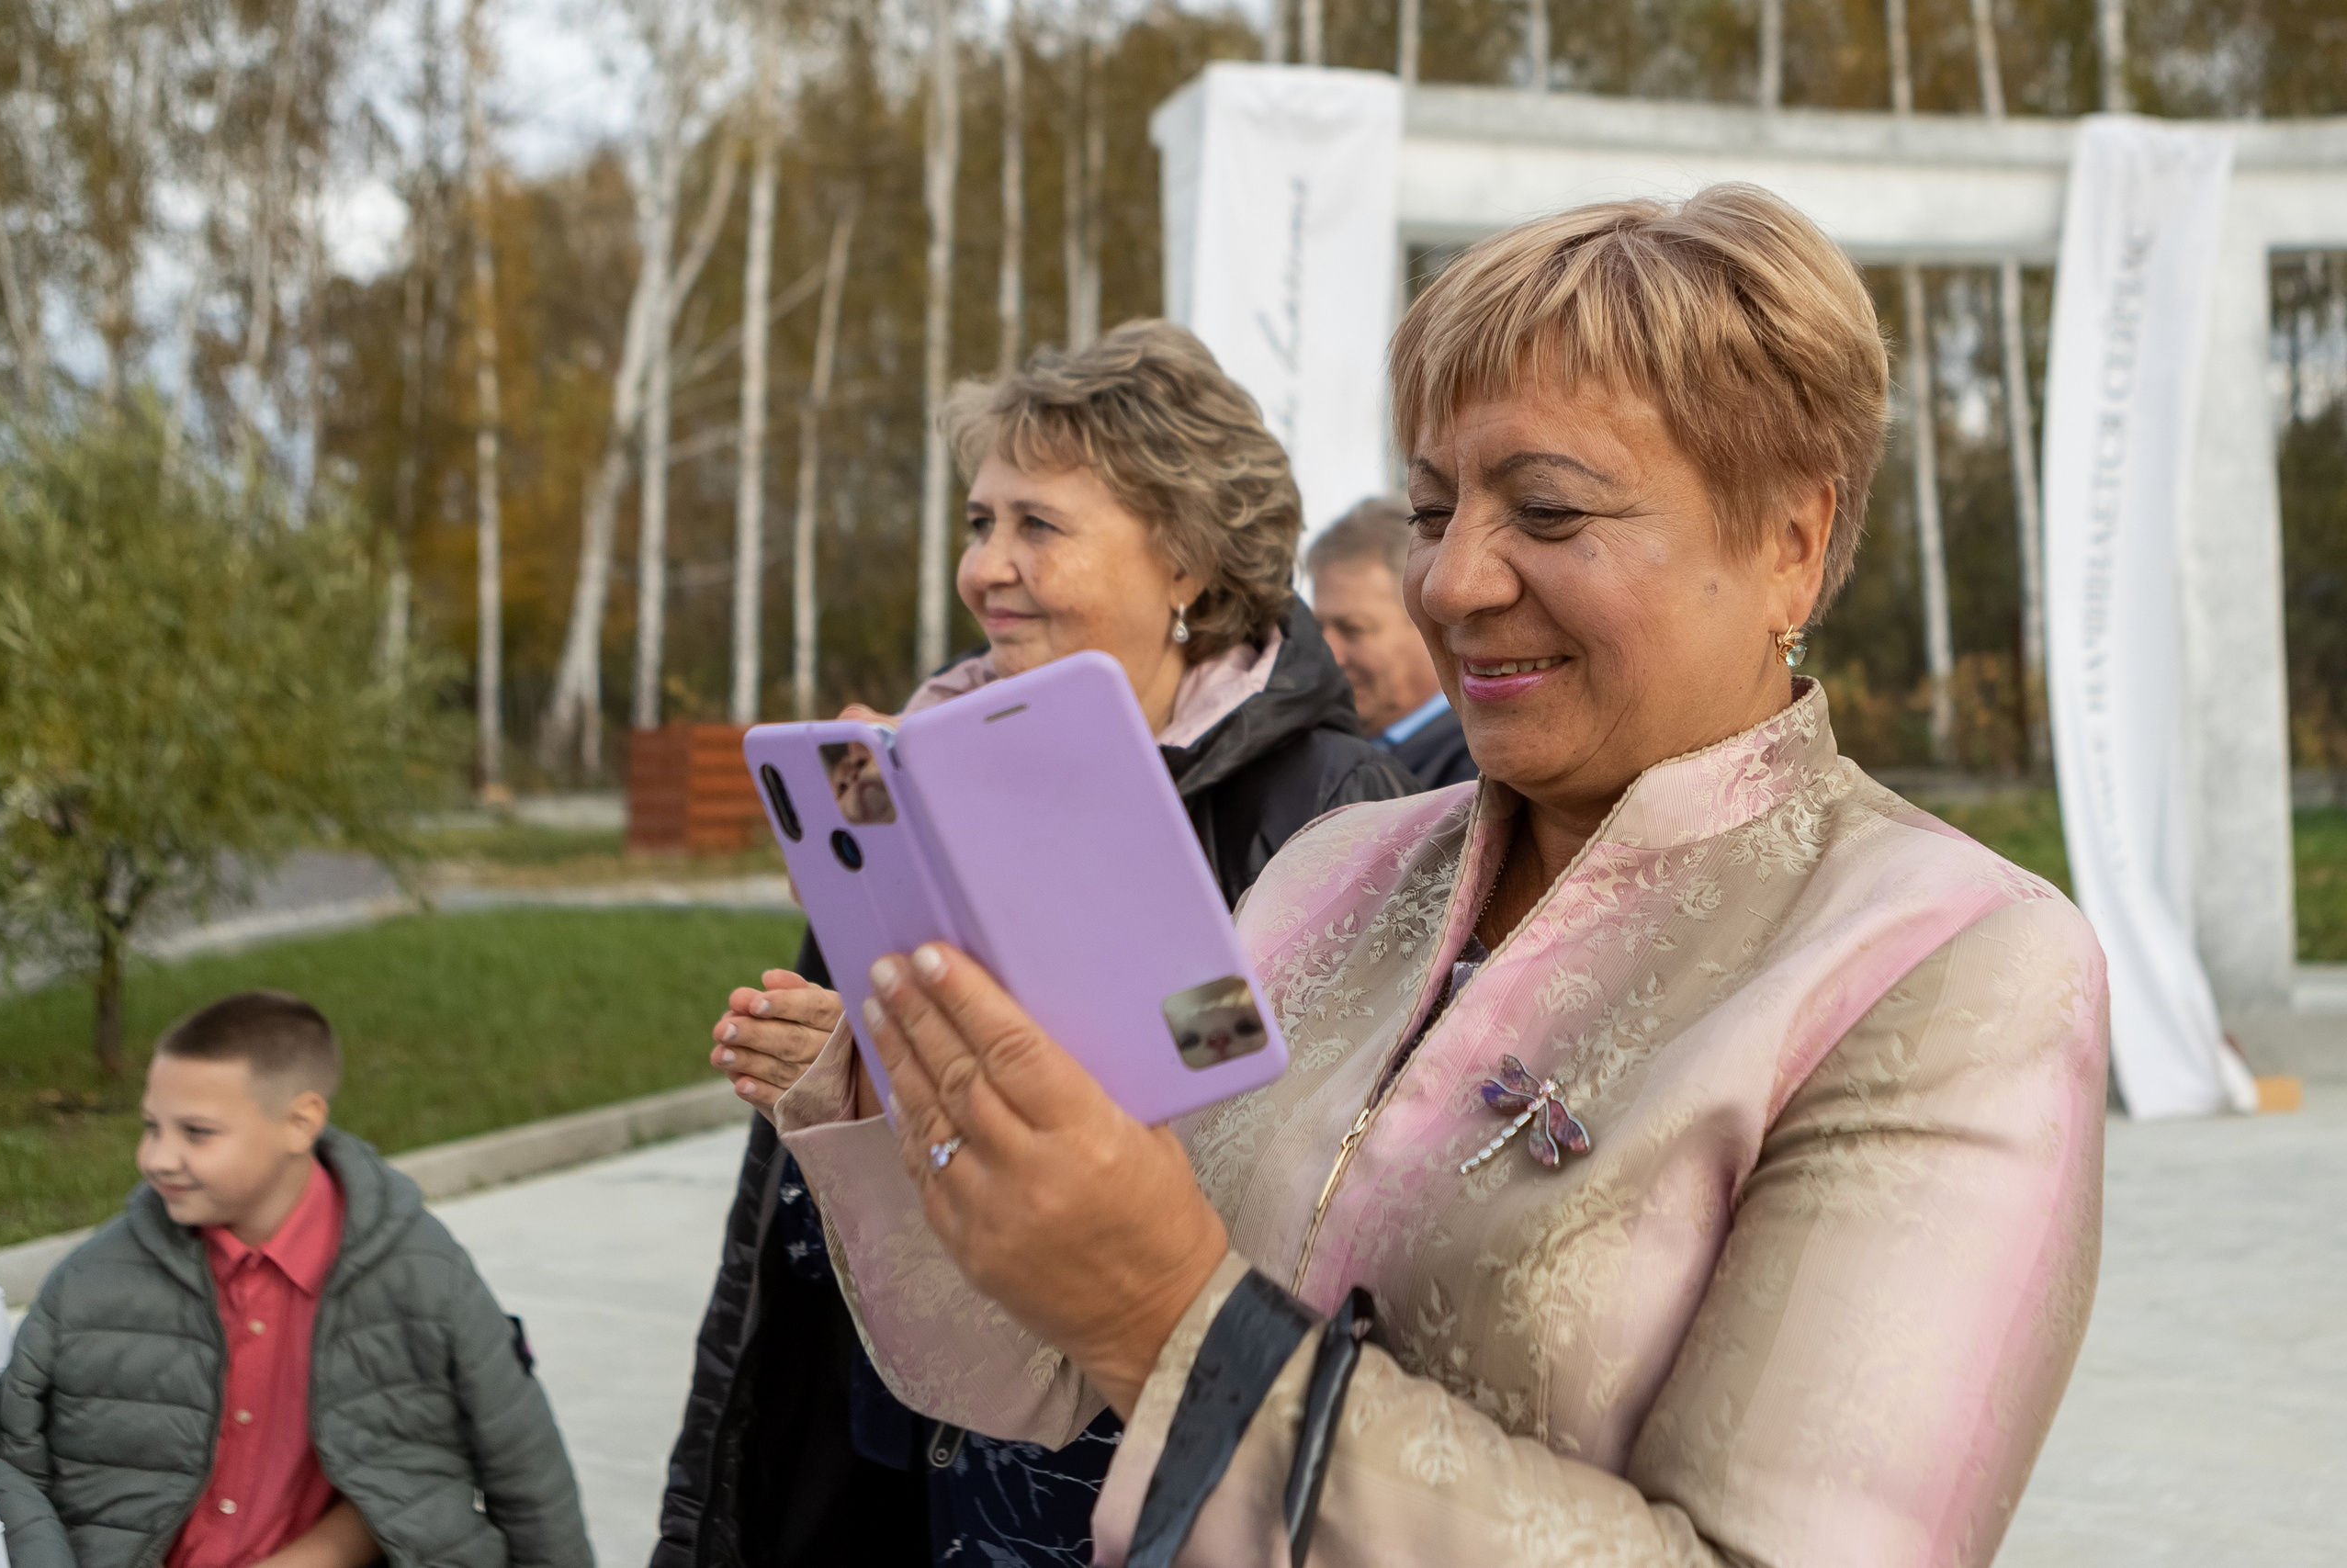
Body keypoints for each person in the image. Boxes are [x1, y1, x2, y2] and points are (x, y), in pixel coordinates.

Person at [750, 185, 2109, 1567]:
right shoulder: (1338, 869)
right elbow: (1033, 1377)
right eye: (1431, 504)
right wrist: (920, 1072)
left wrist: (1172, 1313)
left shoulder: (1952, 963)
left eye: (1550, 510)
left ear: (1789, 541)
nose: (1452, 583)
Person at [657, 320, 1417, 1568]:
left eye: (1037, 525)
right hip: (916, 1465)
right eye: (978, 522)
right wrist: (840, 1074)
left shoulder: (1341, 802)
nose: (986, 568)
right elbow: (785, 1250)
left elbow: (1331, 1174)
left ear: (1183, 556)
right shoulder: (900, 771)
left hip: (1165, 1471)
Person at [0, 991, 592, 1568]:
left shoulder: (423, 1277)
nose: (157, 1156)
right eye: (152, 1125)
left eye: (196, 1131)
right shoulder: (89, 1281)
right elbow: (15, 1470)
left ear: (301, 1121)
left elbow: (528, 1475)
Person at [1309, 496, 1478, 789]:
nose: (1328, 655)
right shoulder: (1320, 751)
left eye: (1352, 629)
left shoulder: (1477, 771)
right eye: (1317, 627)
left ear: (1432, 623)